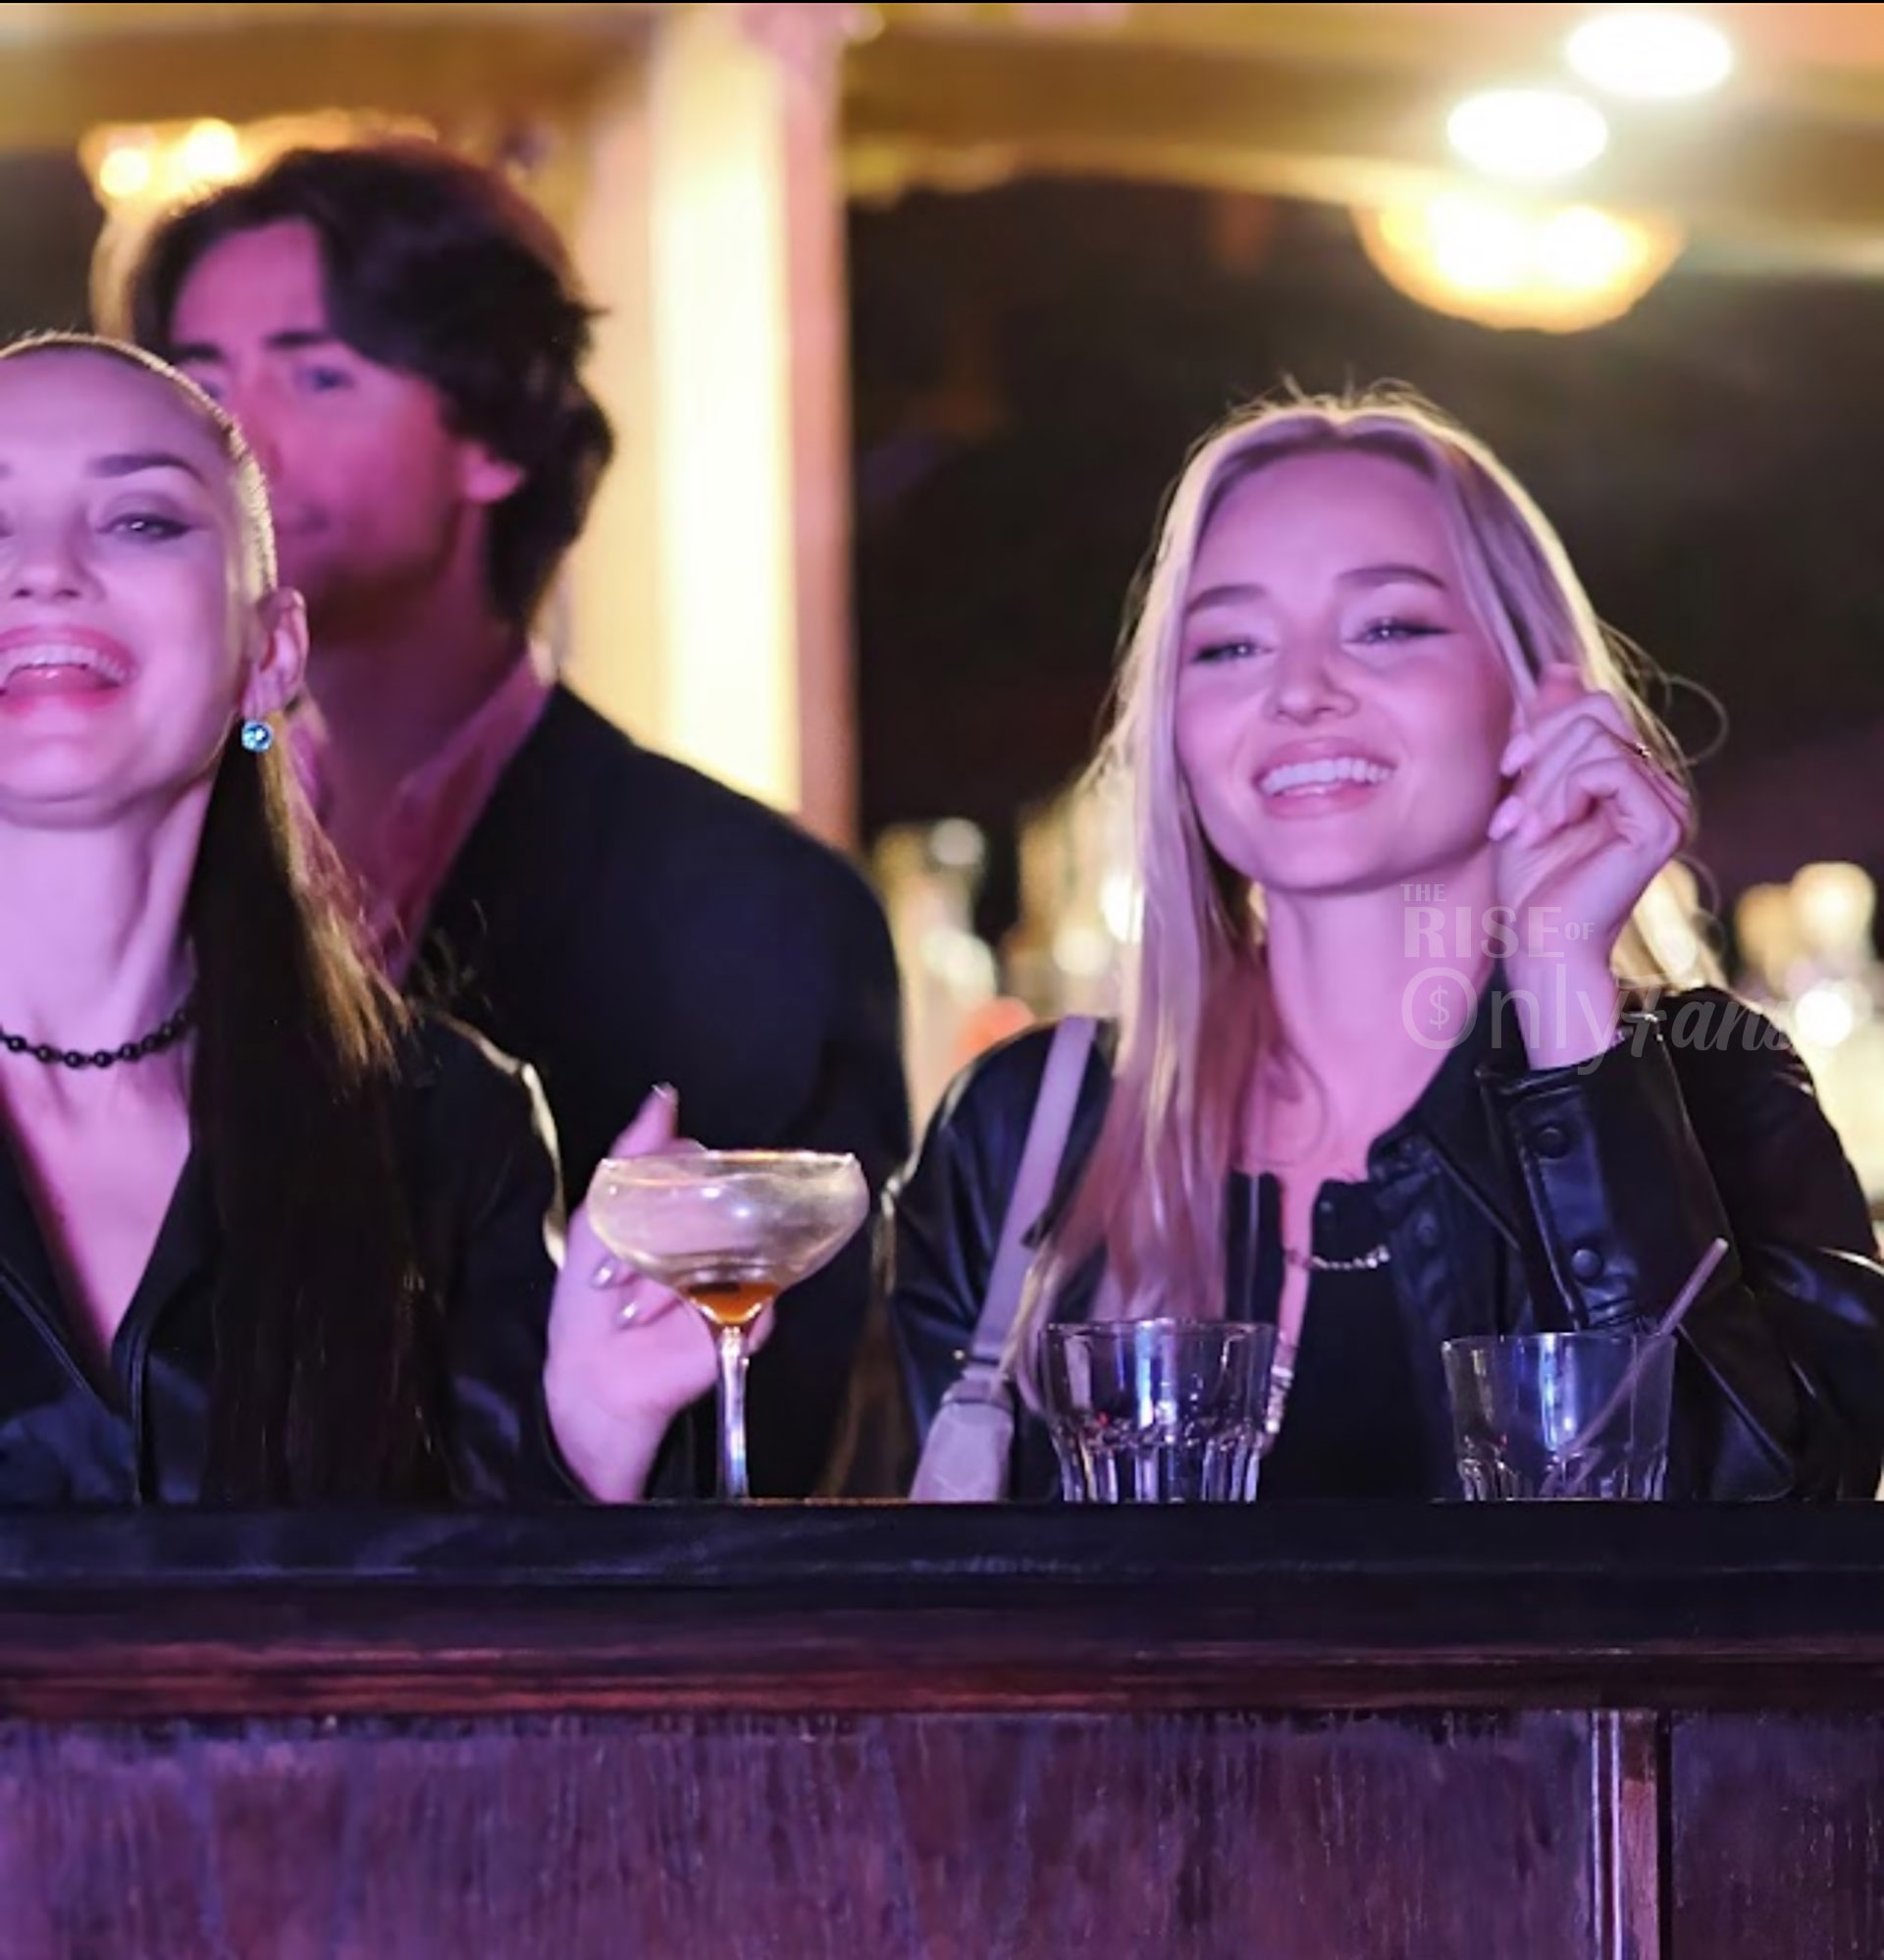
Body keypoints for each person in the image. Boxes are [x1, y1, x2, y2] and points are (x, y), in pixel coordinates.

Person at [881, 390, 1884, 1502]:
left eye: (1389, 627)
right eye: (1229, 644)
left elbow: (1756, 1553)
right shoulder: (1022, 1129)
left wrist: (1564, 1003)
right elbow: (877, 1586)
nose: (1300, 691)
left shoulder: (1715, 1091)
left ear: (1536, 689)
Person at [102, 139, 911, 1499]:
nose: (235, 439)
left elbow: (758, 1437)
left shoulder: (747, 904)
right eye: (201, 380)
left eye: (317, 374)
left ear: (493, 435)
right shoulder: (107, 863)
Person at [0, 331, 749, 1507]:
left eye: (139, 519)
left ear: (270, 653)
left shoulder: (443, 1126)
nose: (44, 570)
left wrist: (592, 1437)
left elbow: (495, 1609)